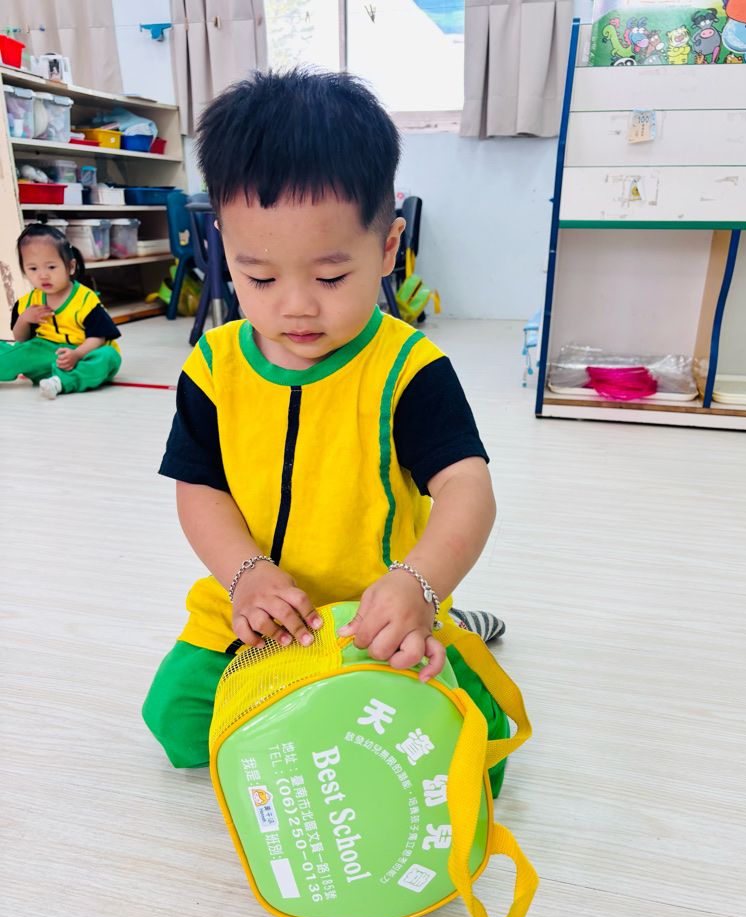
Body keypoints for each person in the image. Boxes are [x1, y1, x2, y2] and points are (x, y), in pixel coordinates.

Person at [142, 69, 512, 794]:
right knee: (179, 728)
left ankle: (451, 622)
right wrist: (245, 577)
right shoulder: (214, 366)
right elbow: (199, 488)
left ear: (388, 247)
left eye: (332, 278)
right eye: (259, 277)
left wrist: (419, 585)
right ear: (223, 247)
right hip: (257, 605)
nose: (296, 307)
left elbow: (468, 488)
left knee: (479, 756)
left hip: (375, 610)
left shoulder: (408, 369)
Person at [2, 224, 121, 399]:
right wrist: (24, 319)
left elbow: (99, 337)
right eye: (33, 269)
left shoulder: (86, 300)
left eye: (51, 267)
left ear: (70, 267)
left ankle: (60, 382)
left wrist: (77, 354)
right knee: (16, 352)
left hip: (83, 354)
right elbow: (21, 339)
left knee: (108, 356)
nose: (43, 275)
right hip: (46, 356)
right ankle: (53, 375)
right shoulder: (27, 303)